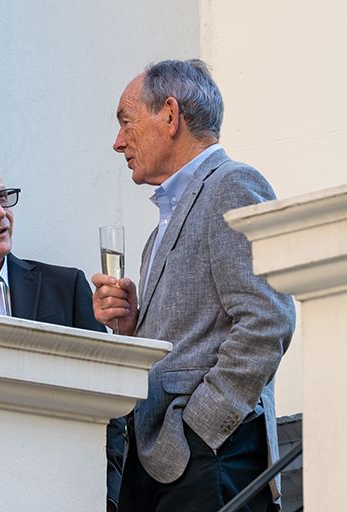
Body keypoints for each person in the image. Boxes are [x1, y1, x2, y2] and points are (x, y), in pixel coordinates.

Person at [92, 59, 296, 512]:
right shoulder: (159, 230)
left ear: (170, 115)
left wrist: (201, 429)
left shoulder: (232, 184)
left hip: (209, 457)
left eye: (126, 121)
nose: (118, 142)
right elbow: (195, 336)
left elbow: (268, 320)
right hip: (164, 458)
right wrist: (131, 328)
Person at [0, 156, 124, 511]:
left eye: (2, 197)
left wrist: (105, 494)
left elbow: (109, 401)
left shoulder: (65, 287)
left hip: (59, 492)